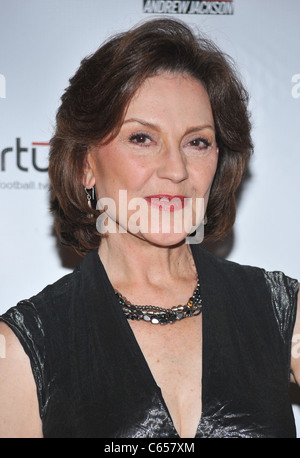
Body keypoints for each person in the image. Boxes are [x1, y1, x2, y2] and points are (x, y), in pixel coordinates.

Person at [0, 18, 299, 439]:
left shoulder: (281, 310)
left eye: (197, 142)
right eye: (142, 138)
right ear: (86, 164)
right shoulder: (24, 347)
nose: (176, 170)